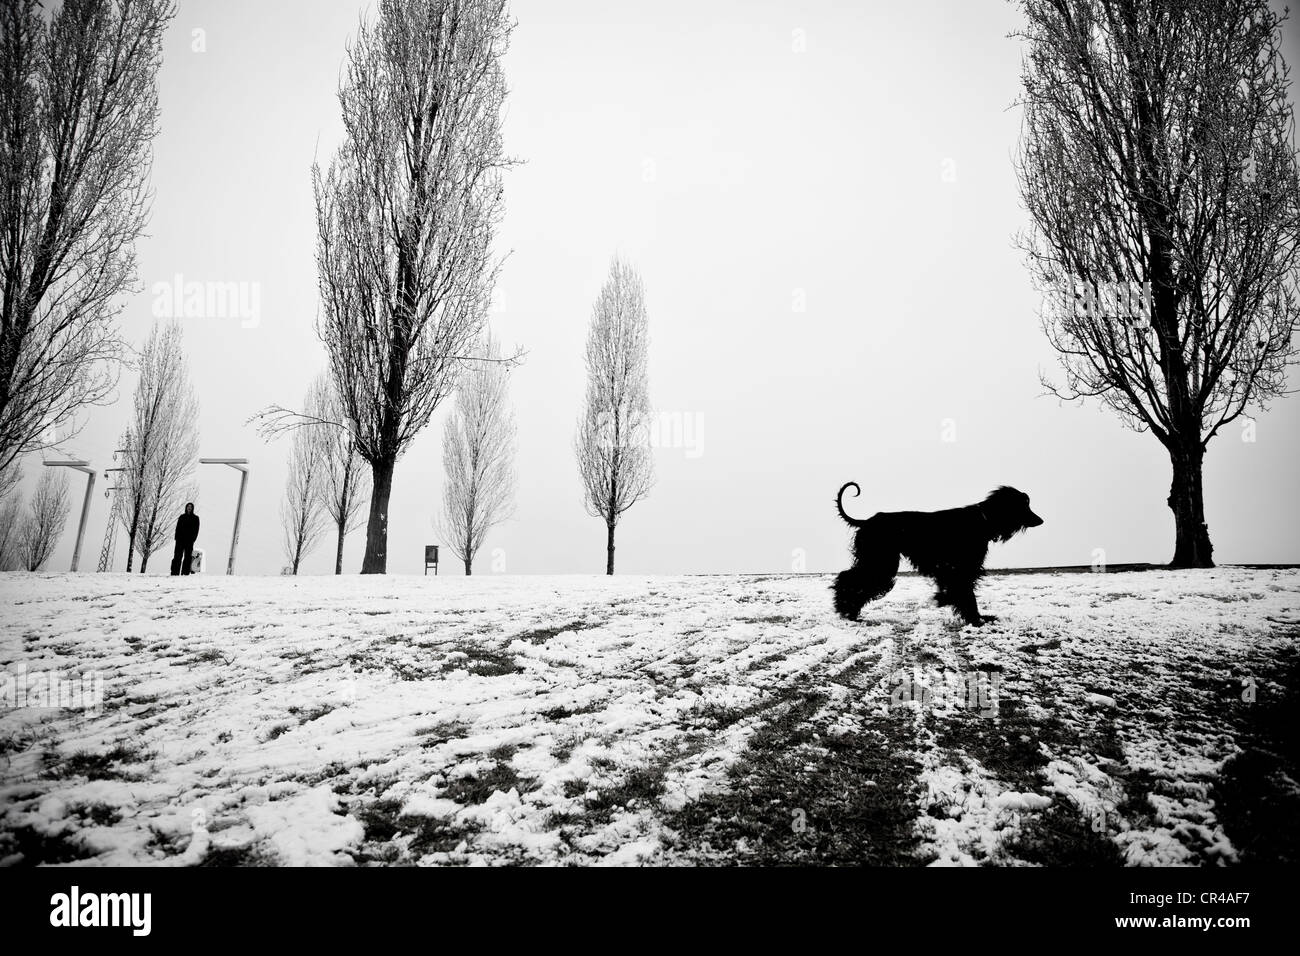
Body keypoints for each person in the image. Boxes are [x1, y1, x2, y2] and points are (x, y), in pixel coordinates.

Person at [171, 503, 200, 576]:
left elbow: (196, 530)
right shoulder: (182, 517)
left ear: (193, 508)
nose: (189, 508)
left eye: (191, 507)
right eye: (188, 506)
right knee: (177, 556)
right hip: (180, 540)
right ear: (186, 507)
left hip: (189, 540)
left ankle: (185, 572)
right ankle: (175, 572)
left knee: (187, 557)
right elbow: (177, 528)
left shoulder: (195, 518)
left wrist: (193, 539)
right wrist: (176, 537)